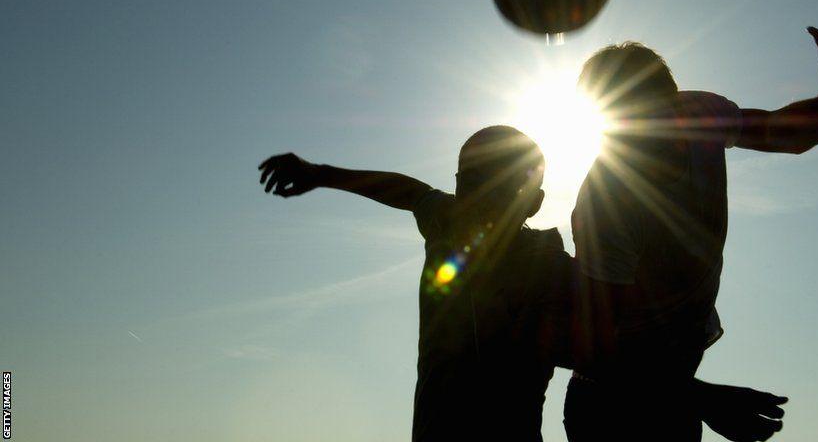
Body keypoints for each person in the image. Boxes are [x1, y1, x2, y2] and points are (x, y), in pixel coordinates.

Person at [259, 126, 788, 441]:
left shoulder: (549, 266)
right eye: (468, 178)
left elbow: (605, 357)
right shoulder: (448, 224)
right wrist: (320, 172)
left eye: (496, 182)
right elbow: (402, 189)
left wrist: (696, 396)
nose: (474, 193)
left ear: (533, 201)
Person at [565, 0, 818, 441]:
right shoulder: (608, 202)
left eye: (659, 113)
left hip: (676, 386)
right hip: (611, 404)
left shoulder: (701, 116)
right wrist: (701, 399)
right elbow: (596, 351)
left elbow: (789, 135)